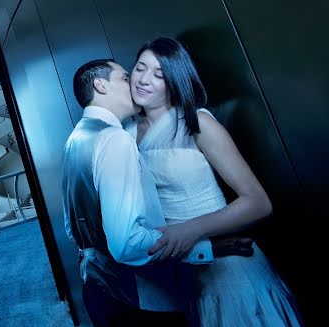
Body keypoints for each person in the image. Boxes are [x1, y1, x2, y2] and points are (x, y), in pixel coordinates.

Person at [127, 37, 302, 326]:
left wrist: (190, 229)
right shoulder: (126, 132)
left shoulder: (197, 123)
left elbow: (258, 203)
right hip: (185, 271)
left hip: (230, 266)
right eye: (139, 68)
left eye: (158, 75)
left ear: (175, 81)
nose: (144, 80)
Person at [63, 59, 251, 326]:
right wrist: (207, 247)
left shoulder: (75, 139)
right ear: (101, 85)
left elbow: (73, 228)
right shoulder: (114, 139)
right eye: (125, 78)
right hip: (131, 296)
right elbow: (126, 243)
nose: (135, 83)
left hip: (96, 289)